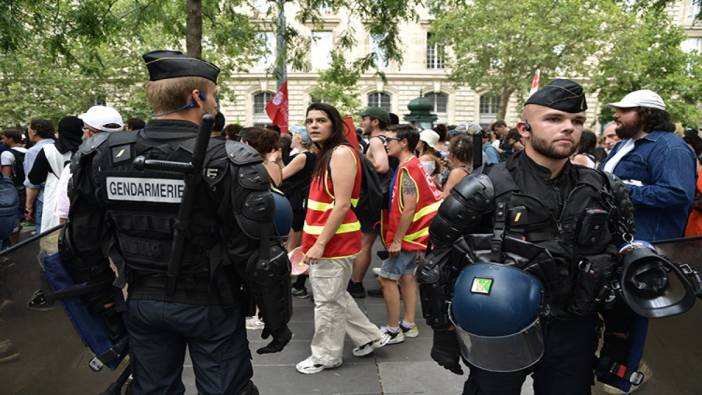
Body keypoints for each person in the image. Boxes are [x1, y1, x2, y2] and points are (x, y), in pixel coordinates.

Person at [61, 50, 291, 395]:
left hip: (141, 300)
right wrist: (276, 318)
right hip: (212, 303)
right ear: (197, 97)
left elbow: (80, 239)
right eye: (213, 94)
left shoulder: (103, 155)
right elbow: (258, 256)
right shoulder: (230, 159)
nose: (214, 101)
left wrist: (104, 298)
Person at [423, 79, 636, 394]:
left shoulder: (604, 189)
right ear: (524, 129)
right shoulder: (484, 188)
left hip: (573, 332)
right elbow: (436, 260)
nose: (568, 128)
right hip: (499, 330)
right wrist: (443, 332)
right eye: (554, 119)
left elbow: (622, 263)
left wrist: (618, 340)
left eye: (576, 121)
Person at [296, 102, 386, 374]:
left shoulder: (340, 154)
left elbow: (343, 204)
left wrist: (320, 243)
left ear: (334, 125)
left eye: (321, 120)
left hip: (333, 245)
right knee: (335, 296)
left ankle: (326, 355)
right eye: (310, 120)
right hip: (326, 242)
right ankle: (369, 335)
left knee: (327, 302)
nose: (313, 125)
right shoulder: (330, 154)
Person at [601, 89, 696, 242]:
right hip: (614, 242)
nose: (616, 115)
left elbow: (677, 194)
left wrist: (620, 190)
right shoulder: (622, 146)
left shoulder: (670, 147)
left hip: (649, 247)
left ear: (646, 113)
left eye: (624, 110)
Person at [377, 124, 441, 344]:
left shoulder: (408, 169)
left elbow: (409, 207)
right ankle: (409, 323)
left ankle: (394, 329)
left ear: (403, 142)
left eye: (390, 140)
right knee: (407, 277)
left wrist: (396, 240)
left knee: (386, 279)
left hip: (409, 236)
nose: (386, 143)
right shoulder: (414, 164)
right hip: (418, 234)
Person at [348, 107, 391, 298]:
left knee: (365, 241)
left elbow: (382, 166)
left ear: (375, 122)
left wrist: (361, 160)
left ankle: (355, 284)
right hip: (388, 198)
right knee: (387, 241)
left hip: (375, 198)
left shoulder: (375, 140)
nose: (362, 123)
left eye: (364, 119)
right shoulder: (390, 138)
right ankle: (391, 281)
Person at [281, 127, 317, 298]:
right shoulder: (312, 156)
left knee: (293, 245)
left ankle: (292, 282)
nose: (291, 137)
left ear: (300, 139)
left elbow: (281, 175)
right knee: (300, 243)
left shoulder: (302, 156)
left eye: (293, 135)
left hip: (296, 202)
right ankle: (301, 283)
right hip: (303, 201)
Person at [23, 119, 55, 232]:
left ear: (35, 131)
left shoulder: (34, 151)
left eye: (29, 130)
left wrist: (28, 207)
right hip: (63, 197)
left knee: (44, 235)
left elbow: (33, 183)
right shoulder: (60, 146)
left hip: (44, 198)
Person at [441, 134, 473, 198]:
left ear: (453, 154)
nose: (447, 156)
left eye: (449, 152)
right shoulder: (471, 168)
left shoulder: (457, 172)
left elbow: (445, 198)